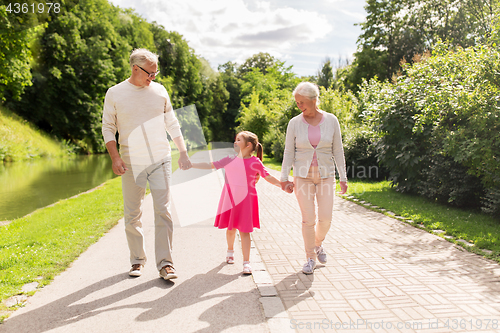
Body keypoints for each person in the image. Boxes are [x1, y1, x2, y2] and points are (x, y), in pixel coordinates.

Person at [102, 48, 192, 280]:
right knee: (133, 213)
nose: (154, 77)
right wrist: (115, 157)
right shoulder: (115, 93)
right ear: (135, 69)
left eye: (156, 72)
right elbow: (108, 128)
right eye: (150, 73)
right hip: (130, 160)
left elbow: (172, 123)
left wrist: (182, 152)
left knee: (163, 210)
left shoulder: (160, 91)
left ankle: (165, 263)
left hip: (160, 157)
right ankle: (137, 260)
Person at [190, 131, 287, 274]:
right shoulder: (229, 159)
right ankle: (230, 251)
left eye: (238, 140)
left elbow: (268, 176)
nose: (235, 142)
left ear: (248, 145)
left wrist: (282, 185)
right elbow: (211, 165)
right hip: (230, 198)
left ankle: (246, 263)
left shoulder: (255, 162)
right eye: (235, 139)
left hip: (246, 200)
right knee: (231, 228)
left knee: (245, 230)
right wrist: (191, 165)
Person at [281, 82, 348, 275]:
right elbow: (288, 152)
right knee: (308, 219)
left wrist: (343, 176)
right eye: (297, 103)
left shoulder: (331, 120)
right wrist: (284, 177)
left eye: (302, 102)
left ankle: (317, 243)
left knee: (326, 219)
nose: (299, 106)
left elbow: (338, 150)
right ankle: (310, 257)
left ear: (313, 99)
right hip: (303, 177)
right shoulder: (294, 123)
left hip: (326, 175)